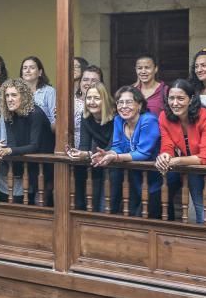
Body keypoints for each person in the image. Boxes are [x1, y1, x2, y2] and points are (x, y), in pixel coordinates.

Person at [156, 79, 206, 225]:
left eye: (180, 98)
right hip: (192, 168)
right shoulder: (164, 117)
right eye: (171, 98)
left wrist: (177, 160)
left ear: (191, 99)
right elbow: (167, 145)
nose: (175, 103)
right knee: (205, 215)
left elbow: (205, 156)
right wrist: (164, 156)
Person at [91, 86, 163, 218]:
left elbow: (144, 153)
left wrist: (116, 157)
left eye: (129, 102)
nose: (124, 106)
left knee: (152, 216)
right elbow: (117, 146)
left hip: (157, 178)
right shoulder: (119, 120)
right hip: (135, 177)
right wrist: (109, 154)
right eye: (120, 102)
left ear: (139, 105)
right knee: (133, 216)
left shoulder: (148, 120)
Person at [0, 79, 54, 205]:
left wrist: (8, 150)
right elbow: (12, 144)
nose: (9, 99)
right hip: (27, 166)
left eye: (14, 95)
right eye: (7, 95)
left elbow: (34, 146)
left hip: (45, 167)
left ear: (24, 97)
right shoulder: (9, 115)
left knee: (40, 204)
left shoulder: (36, 113)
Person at [66, 81, 115, 212]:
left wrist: (87, 153)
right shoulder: (86, 117)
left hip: (113, 163)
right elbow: (84, 145)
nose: (92, 102)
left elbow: (112, 146)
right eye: (89, 98)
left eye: (97, 98)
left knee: (104, 208)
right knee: (81, 204)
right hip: (95, 162)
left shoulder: (115, 117)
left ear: (104, 100)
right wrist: (78, 152)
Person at [20, 56, 56, 130]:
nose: (28, 70)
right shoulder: (17, 92)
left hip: (44, 134)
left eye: (32, 68)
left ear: (40, 72)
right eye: (25, 68)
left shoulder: (49, 91)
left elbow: (54, 120)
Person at [73, 65, 103, 148]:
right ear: (80, 82)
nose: (89, 83)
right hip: (74, 150)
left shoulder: (105, 104)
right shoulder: (69, 103)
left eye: (94, 80)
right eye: (85, 80)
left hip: (97, 151)